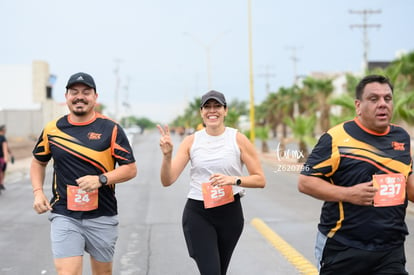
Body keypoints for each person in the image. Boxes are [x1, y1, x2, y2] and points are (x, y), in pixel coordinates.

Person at [298, 74, 414, 275]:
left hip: (390, 249)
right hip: (344, 247)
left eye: (387, 98)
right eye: (374, 99)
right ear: (358, 105)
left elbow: (408, 184)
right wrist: (349, 194)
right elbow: (305, 182)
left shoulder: (401, 137)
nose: (382, 104)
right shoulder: (336, 138)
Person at [30, 72, 137, 275]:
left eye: (86, 92)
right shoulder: (52, 129)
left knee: (103, 273)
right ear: (67, 96)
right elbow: (38, 161)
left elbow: (130, 169)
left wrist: (101, 179)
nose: (80, 96)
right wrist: (37, 191)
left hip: (102, 215)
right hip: (64, 214)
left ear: (95, 97)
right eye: (74, 92)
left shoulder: (110, 129)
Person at [157, 90, 266, 275]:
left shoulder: (237, 139)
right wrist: (167, 156)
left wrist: (234, 179)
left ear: (225, 110)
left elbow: (260, 179)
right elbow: (167, 180)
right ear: (201, 111)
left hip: (230, 214)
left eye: (217, 106)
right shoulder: (192, 141)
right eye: (207, 106)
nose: (212, 110)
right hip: (199, 214)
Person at [0, 125, 13, 192]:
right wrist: (6, 157)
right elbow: (5, 148)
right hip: (1, 157)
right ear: (3, 130)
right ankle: (1, 183)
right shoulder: (3, 138)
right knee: (2, 171)